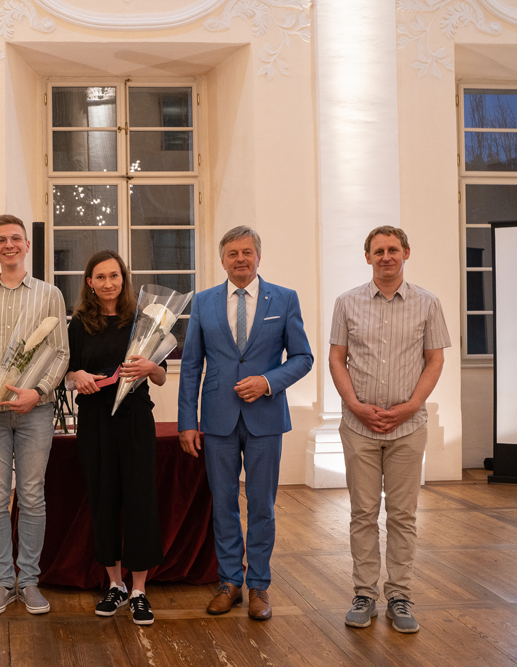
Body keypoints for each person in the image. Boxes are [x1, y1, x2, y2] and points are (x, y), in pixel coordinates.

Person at [177, 225, 313, 621]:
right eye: (233, 253)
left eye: (247, 252)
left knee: (262, 506)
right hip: (217, 419)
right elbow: (191, 366)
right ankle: (229, 582)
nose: (240, 259)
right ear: (222, 260)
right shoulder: (203, 302)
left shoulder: (284, 299)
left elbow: (303, 358)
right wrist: (188, 421)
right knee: (223, 505)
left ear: (258, 257)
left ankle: (258, 587)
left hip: (265, 419)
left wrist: (267, 382)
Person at [329, 226, 449, 634]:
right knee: (362, 514)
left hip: (408, 427)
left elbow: (434, 359)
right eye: (378, 251)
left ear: (406, 253)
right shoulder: (346, 303)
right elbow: (337, 358)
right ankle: (364, 594)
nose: (386, 257)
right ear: (367, 257)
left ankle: (399, 596)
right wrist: (355, 406)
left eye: (393, 249)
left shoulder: (428, 303)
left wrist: (411, 406)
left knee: (402, 515)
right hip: (358, 427)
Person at [0, 214, 69, 616]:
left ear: (26, 245)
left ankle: (30, 581)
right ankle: (3, 582)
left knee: (33, 495)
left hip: (35, 411)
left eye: (15, 238)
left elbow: (61, 353)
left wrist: (39, 391)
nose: (9, 245)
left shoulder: (49, 295)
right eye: (1, 239)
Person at [65, 250, 166, 626]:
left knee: (141, 501)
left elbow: (160, 377)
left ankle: (139, 590)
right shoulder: (79, 323)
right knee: (103, 500)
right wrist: (77, 376)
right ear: (89, 283)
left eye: (114, 276)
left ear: (124, 279)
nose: (108, 283)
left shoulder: (144, 320)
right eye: (101, 277)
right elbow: (67, 373)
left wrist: (151, 366)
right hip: (95, 421)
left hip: (135, 420)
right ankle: (115, 585)